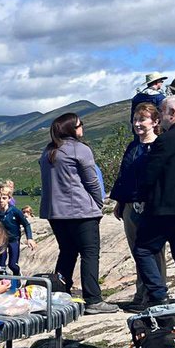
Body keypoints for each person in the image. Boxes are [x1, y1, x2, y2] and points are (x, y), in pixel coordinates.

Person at [38, 112, 117, 314]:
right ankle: (93, 299)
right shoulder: (79, 150)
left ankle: (59, 293)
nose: (83, 127)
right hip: (81, 211)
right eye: (80, 124)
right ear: (71, 129)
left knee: (67, 251)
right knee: (90, 254)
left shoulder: (48, 152)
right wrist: (97, 203)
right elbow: (91, 181)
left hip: (54, 213)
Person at [113, 104, 165, 310]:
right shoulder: (132, 147)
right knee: (138, 252)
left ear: (155, 121)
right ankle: (140, 295)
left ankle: (156, 296)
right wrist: (119, 202)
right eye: (135, 120)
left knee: (154, 252)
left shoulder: (160, 146)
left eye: (142, 119)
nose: (137, 124)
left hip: (153, 207)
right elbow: (124, 175)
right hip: (130, 205)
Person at [133, 95, 175, 308]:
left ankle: (158, 293)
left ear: (173, 114)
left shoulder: (165, 140)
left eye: (162, 113)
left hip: (163, 207)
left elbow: (151, 173)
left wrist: (140, 197)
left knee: (143, 249)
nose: (161, 118)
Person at [0, 186, 35, 274]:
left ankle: (17, 276)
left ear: (9, 198)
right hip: (2, 241)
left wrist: (29, 238)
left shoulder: (14, 211)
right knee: (1, 265)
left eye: (4, 198)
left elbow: (26, 224)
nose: (1, 201)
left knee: (12, 264)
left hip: (13, 239)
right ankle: (2, 282)